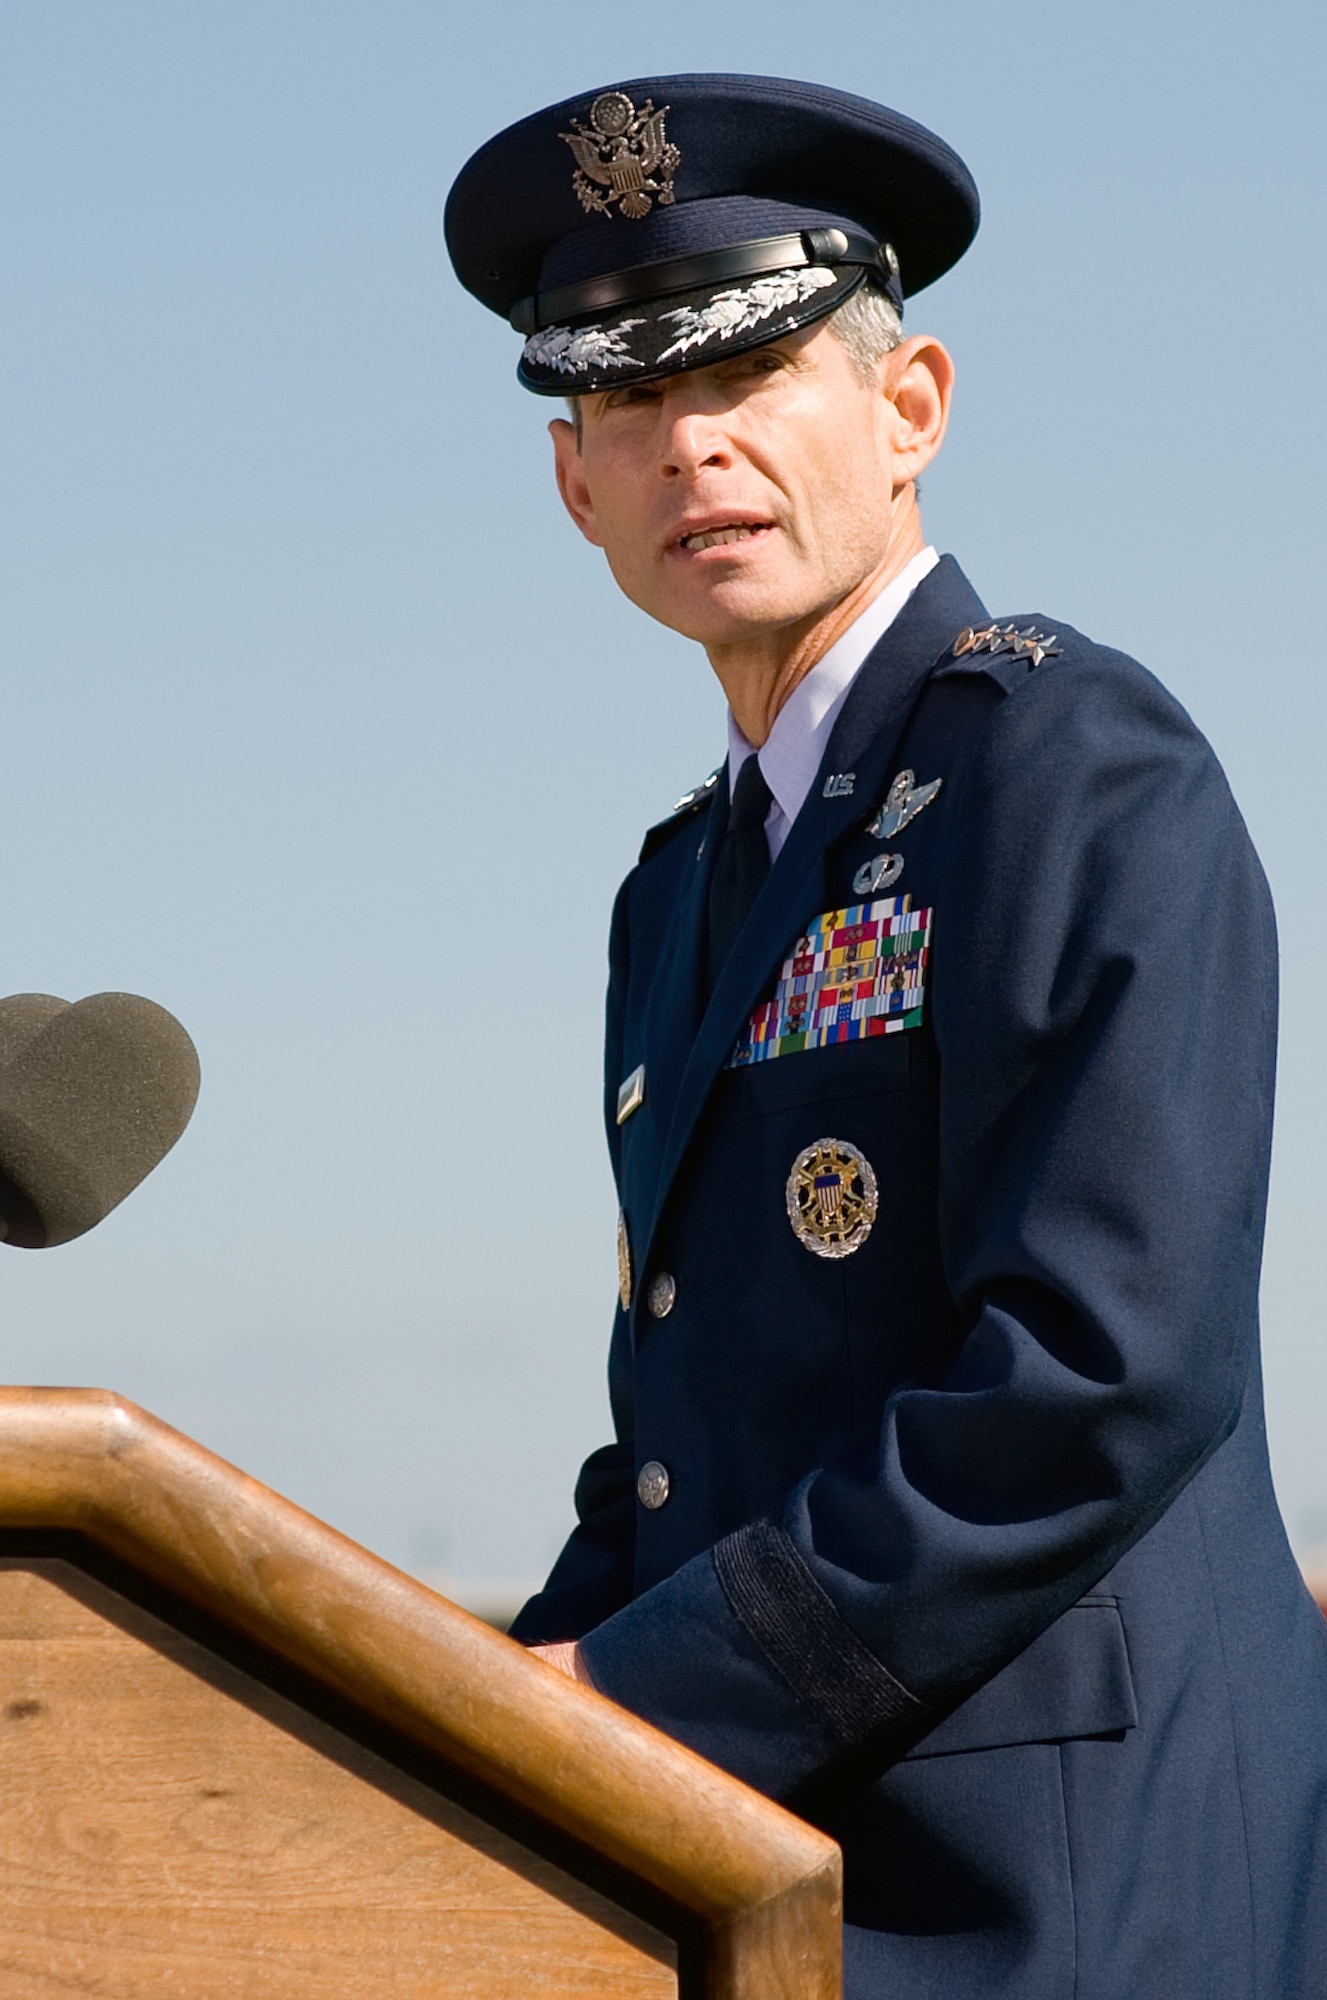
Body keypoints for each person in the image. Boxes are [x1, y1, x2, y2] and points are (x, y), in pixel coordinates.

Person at [445, 74, 1327, 1998]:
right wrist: (464, 1707)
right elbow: (690, 1442)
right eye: (629, 400)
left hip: (1063, 1893)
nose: (694, 449)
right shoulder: (681, 886)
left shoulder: (1075, 770)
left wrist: (634, 1691)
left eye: (750, 375)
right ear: (573, 484)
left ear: (911, 408)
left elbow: (1097, 1374)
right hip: (776, 1871)